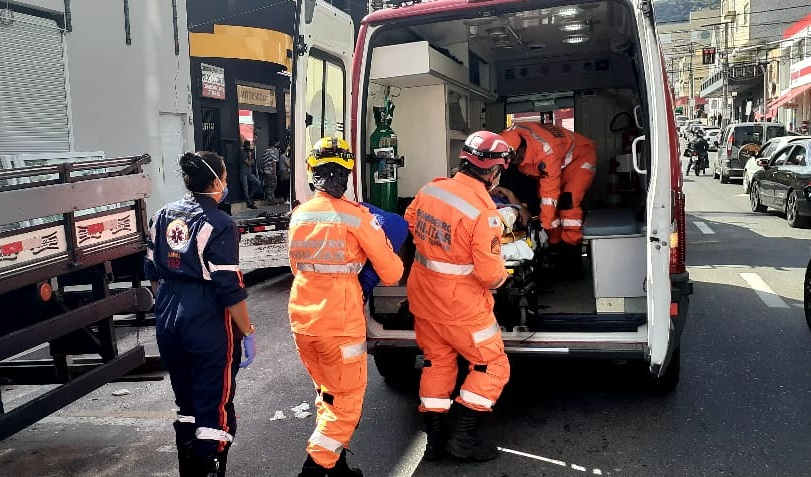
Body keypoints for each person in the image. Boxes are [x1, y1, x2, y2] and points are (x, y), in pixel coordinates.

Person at [288, 137, 404, 477]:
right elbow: (392, 273)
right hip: (340, 324)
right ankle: (314, 469)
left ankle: (336, 469)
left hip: (303, 320)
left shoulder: (299, 215)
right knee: (346, 402)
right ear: (348, 174)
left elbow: (297, 267)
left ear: (312, 171)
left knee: (328, 395)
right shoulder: (357, 217)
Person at [145, 151, 257, 477]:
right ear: (216, 181)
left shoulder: (162, 215)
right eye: (225, 177)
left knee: (187, 406)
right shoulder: (220, 224)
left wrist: (170, 306)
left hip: (168, 314)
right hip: (206, 317)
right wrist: (247, 332)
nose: (226, 184)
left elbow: (151, 272)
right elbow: (230, 287)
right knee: (214, 410)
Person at [405, 130, 512, 463]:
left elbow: (411, 224)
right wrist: (505, 276)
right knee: (493, 366)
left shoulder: (430, 189)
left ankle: (435, 442)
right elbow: (490, 276)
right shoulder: (484, 212)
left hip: (424, 298)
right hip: (462, 308)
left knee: (437, 363)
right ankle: (464, 438)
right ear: (493, 172)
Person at [500, 123, 597, 249]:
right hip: (559, 162)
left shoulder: (546, 151)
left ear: (522, 149)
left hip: (580, 158)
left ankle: (571, 246)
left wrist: (542, 226)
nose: (513, 163)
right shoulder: (505, 139)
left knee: (567, 201)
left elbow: (550, 193)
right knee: (547, 205)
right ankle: (553, 242)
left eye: (514, 159)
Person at [239, 140, 261, 209]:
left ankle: (250, 196)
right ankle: (249, 203)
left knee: (258, 183)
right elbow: (249, 163)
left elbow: (251, 163)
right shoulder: (243, 153)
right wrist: (249, 156)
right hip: (243, 173)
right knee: (246, 188)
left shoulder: (248, 152)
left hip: (249, 172)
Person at [260, 138, 280, 203]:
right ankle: (271, 200)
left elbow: (264, 162)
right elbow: (274, 163)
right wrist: (275, 173)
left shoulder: (265, 152)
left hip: (265, 171)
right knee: (272, 186)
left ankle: (270, 199)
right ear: (273, 145)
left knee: (268, 186)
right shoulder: (272, 152)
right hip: (271, 171)